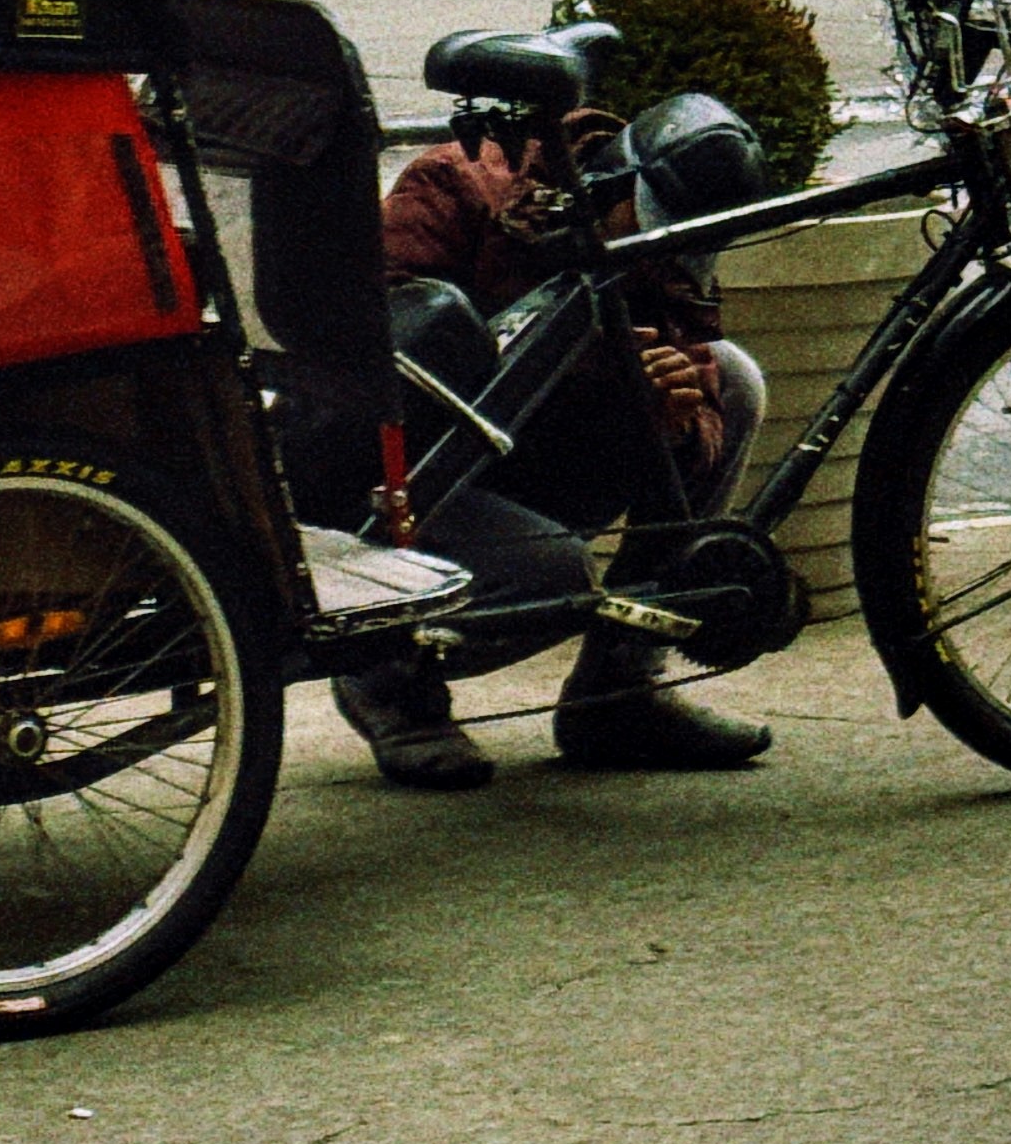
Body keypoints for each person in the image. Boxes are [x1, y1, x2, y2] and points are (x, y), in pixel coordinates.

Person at [332, 106, 774, 792]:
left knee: (734, 379)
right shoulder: (458, 184)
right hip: (408, 478)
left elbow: (694, 378)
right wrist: (585, 362)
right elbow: (367, 364)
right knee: (556, 578)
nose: (660, 253)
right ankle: (388, 679)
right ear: (616, 179)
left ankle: (620, 695)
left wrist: (677, 419)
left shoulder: (663, 255)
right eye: (648, 226)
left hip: (531, 456)